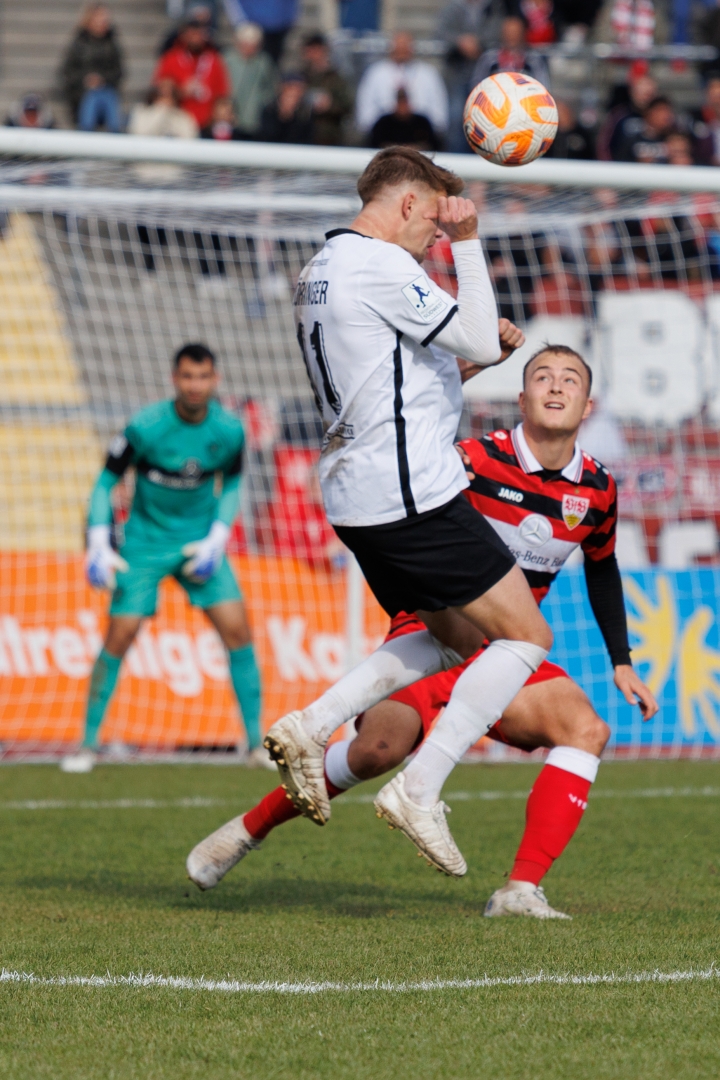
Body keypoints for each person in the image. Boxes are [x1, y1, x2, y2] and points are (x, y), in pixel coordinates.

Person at [187, 345, 658, 917]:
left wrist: (620, 659)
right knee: (375, 751)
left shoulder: (598, 489)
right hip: (435, 630)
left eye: (570, 380)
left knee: (586, 730)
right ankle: (246, 829)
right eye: (542, 377)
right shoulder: (474, 460)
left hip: (508, 650)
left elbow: (603, 567)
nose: (556, 387)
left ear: (588, 405)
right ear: (522, 398)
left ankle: (519, 891)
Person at [259, 145, 553, 879]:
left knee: (455, 638)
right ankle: (419, 789)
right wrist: (470, 240)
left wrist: (473, 362)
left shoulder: (321, 267)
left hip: (357, 494)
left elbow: (397, 377)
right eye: (432, 223)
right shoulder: (382, 264)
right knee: (526, 636)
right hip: (411, 490)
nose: (433, 239)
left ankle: (312, 724)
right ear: (409, 203)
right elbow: (475, 331)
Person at [60, 344, 263, 774]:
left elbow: (232, 483)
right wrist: (98, 542)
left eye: (203, 377)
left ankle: (255, 746)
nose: (195, 385)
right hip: (144, 544)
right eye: (187, 377)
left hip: (198, 545)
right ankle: (87, 745)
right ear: (175, 379)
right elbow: (105, 482)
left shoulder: (229, 431)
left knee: (238, 631)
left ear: (215, 380)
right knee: (120, 635)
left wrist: (217, 538)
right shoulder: (145, 426)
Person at [355, 32, 449, 141]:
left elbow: (439, 114)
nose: (402, 51)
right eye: (399, 47)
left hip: (420, 135)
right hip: (384, 135)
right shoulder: (376, 72)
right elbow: (365, 112)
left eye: (405, 47)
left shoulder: (428, 74)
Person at [154, 17, 230, 130]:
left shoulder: (214, 60)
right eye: (192, 34)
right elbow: (159, 93)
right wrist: (180, 92)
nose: (195, 39)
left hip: (208, 123)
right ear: (184, 35)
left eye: (199, 34)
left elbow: (223, 94)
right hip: (178, 122)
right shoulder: (171, 59)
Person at [59, 3, 124, 132]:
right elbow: (68, 71)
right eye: (99, 17)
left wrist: (102, 80)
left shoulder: (112, 45)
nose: (103, 21)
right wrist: (87, 80)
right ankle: (87, 133)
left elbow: (119, 71)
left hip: (107, 89)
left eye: (105, 18)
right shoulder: (78, 44)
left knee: (107, 97)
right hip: (82, 92)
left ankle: (115, 133)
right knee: (92, 99)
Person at [222, 23, 277, 140]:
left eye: (253, 46)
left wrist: (262, 103)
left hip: (253, 119)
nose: (249, 49)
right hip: (229, 116)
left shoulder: (263, 62)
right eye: (246, 45)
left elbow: (271, 88)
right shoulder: (227, 59)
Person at [302, 33, 354, 146]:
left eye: (316, 50)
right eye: (310, 50)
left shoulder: (336, 79)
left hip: (328, 136)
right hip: (302, 136)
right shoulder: (301, 77)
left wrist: (330, 106)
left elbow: (348, 106)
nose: (313, 54)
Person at [471, 16, 550, 86]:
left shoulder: (533, 60)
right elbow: (477, 86)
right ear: (502, 33)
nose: (511, 36)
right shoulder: (488, 59)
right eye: (508, 32)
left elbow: (543, 87)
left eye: (515, 32)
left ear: (522, 33)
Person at [596, 71, 657, 161]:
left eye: (648, 94)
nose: (645, 98)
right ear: (632, 91)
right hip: (622, 166)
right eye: (641, 92)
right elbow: (604, 145)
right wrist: (609, 166)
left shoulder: (663, 117)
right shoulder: (619, 115)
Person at [222, 0, 298, 63]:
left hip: (279, 25)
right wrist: (241, 21)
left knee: (270, 62)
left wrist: (290, 18)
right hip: (253, 24)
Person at [369, 88, 440, 151]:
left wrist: (414, 148)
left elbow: (433, 145)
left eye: (405, 102)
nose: (403, 106)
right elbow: (375, 144)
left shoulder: (422, 122)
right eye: (400, 102)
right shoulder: (384, 123)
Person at [614, 95, 676, 164]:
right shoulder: (631, 141)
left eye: (667, 111)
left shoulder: (675, 141)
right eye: (660, 110)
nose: (665, 116)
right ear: (648, 113)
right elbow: (619, 163)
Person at [127, 80, 199, 138]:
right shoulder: (141, 111)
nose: (165, 100)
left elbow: (190, 137)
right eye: (162, 95)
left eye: (169, 95)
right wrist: (159, 110)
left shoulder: (183, 116)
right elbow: (137, 132)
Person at [258, 73, 314, 144]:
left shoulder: (306, 113)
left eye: (298, 89)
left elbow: (305, 138)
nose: (294, 92)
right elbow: (267, 135)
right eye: (290, 87)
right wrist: (283, 115)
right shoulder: (270, 109)